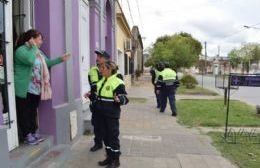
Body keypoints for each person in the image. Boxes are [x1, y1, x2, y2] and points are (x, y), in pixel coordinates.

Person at [14, 29, 70, 145]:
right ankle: (26, 135)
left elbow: (47, 63)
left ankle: (33, 132)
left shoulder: (38, 52)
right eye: (39, 39)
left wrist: (60, 59)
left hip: (36, 88)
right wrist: (34, 47)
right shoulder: (21, 51)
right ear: (31, 39)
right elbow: (30, 60)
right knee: (24, 112)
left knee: (33, 111)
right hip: (24, 88)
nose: (41, 42)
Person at [86, 61, 128, 168]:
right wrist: (90, 95)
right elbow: (97, 96)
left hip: (111, 115)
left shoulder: (118, 82)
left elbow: (125, 98)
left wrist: (119, 99)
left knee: (113, 137)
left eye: (103, 68)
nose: (101, 70)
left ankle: (115, 160)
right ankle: (109, 157)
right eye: (101, 68)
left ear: (110, 69)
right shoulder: (101, 81)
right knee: (105, 137)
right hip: (100, 114)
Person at [88, 49, 110, 152]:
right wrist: (91, 94)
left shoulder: (111, 69)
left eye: (100, 57)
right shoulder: (94, 70)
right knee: (97, 124)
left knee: (107, 125)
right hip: (96, 102)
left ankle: (109, 145)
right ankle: (98, 143)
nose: (97, 58)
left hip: (108, 103)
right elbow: (95, 86)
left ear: (105, 59)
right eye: (97, 56)